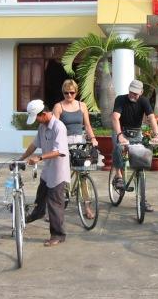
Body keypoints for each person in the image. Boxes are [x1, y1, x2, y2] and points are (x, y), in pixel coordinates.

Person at [21, 99, 70, 247]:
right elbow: (34, 144)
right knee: (41, 194)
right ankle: (38, 213)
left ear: (44, 114)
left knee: (54, 203)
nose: (36, 121)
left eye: (37, 117)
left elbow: (59, 151)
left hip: (58, 171)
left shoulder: (58, 127)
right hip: (48, 170)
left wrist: (40, 158)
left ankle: (58, 235)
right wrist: (21, 158)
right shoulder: (42, 127)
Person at [111, 79, 158, 212]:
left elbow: (151, 118)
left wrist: (156, 135)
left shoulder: (144, 101)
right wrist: (120, 135)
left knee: (140, 164)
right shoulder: (120, 99)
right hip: (122, 130)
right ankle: (119, 177)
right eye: (131, 92)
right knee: (118, 147)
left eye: (136, 94)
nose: (133, 95)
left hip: (137, 133)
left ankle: (142, 200)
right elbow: (115, 117)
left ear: (141, 92)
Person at [53, 79, 98, 219]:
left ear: (76, 92)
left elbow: (88, 126)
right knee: (61, 176)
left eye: (72, 93)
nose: (69, 96)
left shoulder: (82, 105)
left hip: (80, 141)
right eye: (66, 93)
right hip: (64, 142)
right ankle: (56, 207)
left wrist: (93, 138)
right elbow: (54, 128)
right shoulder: (58, 106)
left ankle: (87, 207)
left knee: (83, 174)